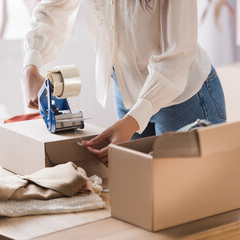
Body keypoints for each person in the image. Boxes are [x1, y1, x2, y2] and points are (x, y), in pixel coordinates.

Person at [21, 0, 226, 167]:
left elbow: (177, 55)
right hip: (126, 93)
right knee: (138, 194)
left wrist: (133, 120)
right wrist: (31, 64)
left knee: (187, 202)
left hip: (183, 98)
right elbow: (53, 8)